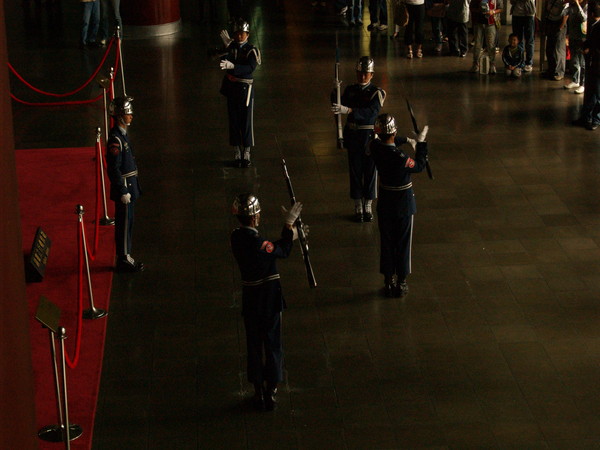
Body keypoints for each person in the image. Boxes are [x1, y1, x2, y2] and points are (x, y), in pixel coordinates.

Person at [230, 194, 302, 411]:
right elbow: (280, 251)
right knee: (272, 345)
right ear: (253, 218)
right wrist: (289, 226)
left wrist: (288, 236)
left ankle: (258, 390)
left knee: (253, 345)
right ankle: (271, 389)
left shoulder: (236, 238)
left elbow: (269, 249)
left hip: (251, 300)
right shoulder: (258, 243)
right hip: (268, 300)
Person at [369, 114, 428, 297]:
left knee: (387, 243)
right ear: (394, 132)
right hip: (403, 204)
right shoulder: (400, 158)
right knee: (403, 243)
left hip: (386, 201)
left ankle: (388, 280)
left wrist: (406, 140)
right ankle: (401, 281)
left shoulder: (374, 147)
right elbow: (419, 166)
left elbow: (388, 140)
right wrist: (421, 144)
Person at [331, 56, 386, 223]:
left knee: (370, 171)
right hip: (354, 136)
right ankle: (357, 204)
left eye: (366, 73)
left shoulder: (376, 92)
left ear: (372, 74)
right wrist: (335, 92)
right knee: (355, 171)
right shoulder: (350, 90)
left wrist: (349, 111)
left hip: (369, 136)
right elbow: (337, 106)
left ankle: (368, 204)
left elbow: (372, 112)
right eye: (360, 73)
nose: (363, 76)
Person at [106, 96, 144, 273]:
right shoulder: (116, 140)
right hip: (125, 188)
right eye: (128, 113)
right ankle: (123, 257)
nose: (131, 116)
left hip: (130, 186)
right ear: (120, 116)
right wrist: (122, 189)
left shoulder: (122, 136)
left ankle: (126, 255)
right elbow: (114, 169)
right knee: (123, 224)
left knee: (129, 223)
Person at [218, 19, 261, 168]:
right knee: (234, 120)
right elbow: (221, 60)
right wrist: (226, 48)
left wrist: (234, 66)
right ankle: (237, 150)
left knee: (246, 121)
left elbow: (250, 67)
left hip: (245, 89)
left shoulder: (251, 50)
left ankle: (247, 151)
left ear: (247, 34)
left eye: (242, 33)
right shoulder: (232, 47)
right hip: (232, 88)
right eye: (237, 34)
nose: (239, 36)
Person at [573, 2, 600, 129]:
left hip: (597, 63)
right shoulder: (594, 26)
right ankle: (587, 117)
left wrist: (590, 50)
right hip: (593, 63)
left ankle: (595, 119)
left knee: (597, 94)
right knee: (590, 93)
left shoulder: (596, 27)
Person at [470, 0, 504, 73]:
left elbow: (501, 8)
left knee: (491, 44)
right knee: (477, 44)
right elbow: (471, 7)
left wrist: (493, 12)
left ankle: (492, 64)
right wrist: (479, 10)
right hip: (478, 23)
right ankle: (475, 63)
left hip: (491, 23)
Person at [564, 0, 587, 93]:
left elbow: (584, 18)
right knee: (574, 60)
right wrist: (563, 5)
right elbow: (563, 13)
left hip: (582, 38)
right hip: (573, 36)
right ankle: (575, 80)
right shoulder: (571, 6)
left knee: (582, 62)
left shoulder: (586, 6)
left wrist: (578, 5)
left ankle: (583, 84)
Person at [543, 0, 569, 80]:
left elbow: (565, 14)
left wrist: (561, 27)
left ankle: (559, 72)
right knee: (549, 48)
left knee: (559, 49)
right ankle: (551, 69)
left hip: (559, 23)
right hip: (550, 22)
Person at [509, 0, 536, 72]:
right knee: (517, 39)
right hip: (516, 14)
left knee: (529, 40)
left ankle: (529, 62)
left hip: (529, 14)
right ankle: (519, 62)